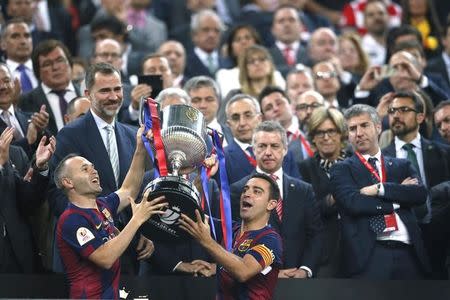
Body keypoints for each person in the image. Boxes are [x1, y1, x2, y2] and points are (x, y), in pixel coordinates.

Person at [48, 63, 151, 274]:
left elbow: (133, 192)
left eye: (117, 89)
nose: (113, 97)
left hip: (130, 253)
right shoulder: (70, 134)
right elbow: (56, 196)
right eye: (104, 90)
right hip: (85, 254)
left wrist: (143, 230)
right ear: (88, 94)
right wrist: (100, 230)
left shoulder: (134, 136)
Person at [55, 126, 167, 299]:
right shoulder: (71, 219)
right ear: (68, 182)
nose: (94, 170)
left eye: (93, 167)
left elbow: (129, 189)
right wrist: (137, 219)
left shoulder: (102, 206)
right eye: (85, 169)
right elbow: (105, 257)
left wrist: (140, 148)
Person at [330, 104, 430, 279]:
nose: (358, 133)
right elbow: (353, 203)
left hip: (409, 250)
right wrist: (398, 200)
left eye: (364, 125)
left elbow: (419, 194)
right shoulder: (341, 169)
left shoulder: (401, 165)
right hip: (370, 253)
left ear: (378, 127)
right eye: (352, 129)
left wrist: (380, 188)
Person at [229, 121, 323, 279]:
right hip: (255, 283)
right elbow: (234, 240)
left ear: (285, 149)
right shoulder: (238, 190)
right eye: (262, 146)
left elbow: (315, 235)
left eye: (275, 146)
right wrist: (269, 272)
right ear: (253, 150)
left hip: (298, 282)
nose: (268, 152)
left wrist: (305, 270)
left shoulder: (304, 190)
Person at [179, 173, 283, 300]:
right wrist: (203, 174)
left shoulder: (270, 240)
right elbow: (190, 213)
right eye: (245, 190)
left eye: (257, 191)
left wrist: (206, 241)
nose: (247, 194)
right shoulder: (228, 230)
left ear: (271, 204)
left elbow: (243, 271)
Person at [298, 107, 349, 277]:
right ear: (313, 137)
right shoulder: (304, 168)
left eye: (331, 131)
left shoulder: (356, 162)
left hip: (360, 245)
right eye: (320, 132)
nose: (326, 137)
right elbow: (307, 212)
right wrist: (338, 197)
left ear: (341, 133)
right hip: (325, 251)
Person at [0, 127, 56, 273]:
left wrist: (40, 167)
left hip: (18, 254)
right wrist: (1, 166)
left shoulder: (14, 153)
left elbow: (28, 204)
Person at [18, 39, 81, 136]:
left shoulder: (87, 93)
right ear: (38, 72)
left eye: (60, 60)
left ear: (70, 63)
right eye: (47, 64)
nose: (55, 67)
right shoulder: (25, 101)